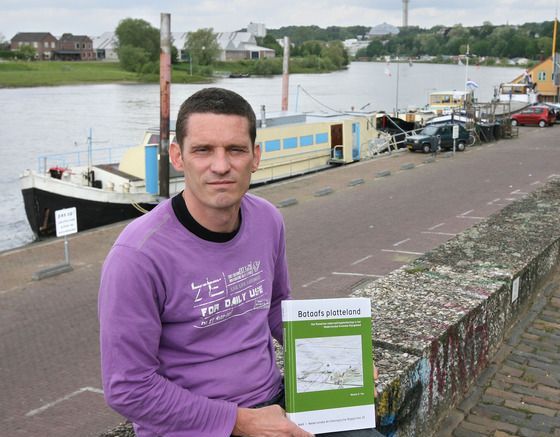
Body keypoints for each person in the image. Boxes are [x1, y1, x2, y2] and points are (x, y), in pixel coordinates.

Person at [98, 87, 381, 437]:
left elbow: (276, 305)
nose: (221, 166)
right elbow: (128, 388)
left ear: (255, 156)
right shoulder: (137, 257)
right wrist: (238, 421)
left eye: (235, 150)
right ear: (177, 156)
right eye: (203, 150)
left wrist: (340, 360)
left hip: (273, 400)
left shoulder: (267, 220)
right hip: (192, 426)